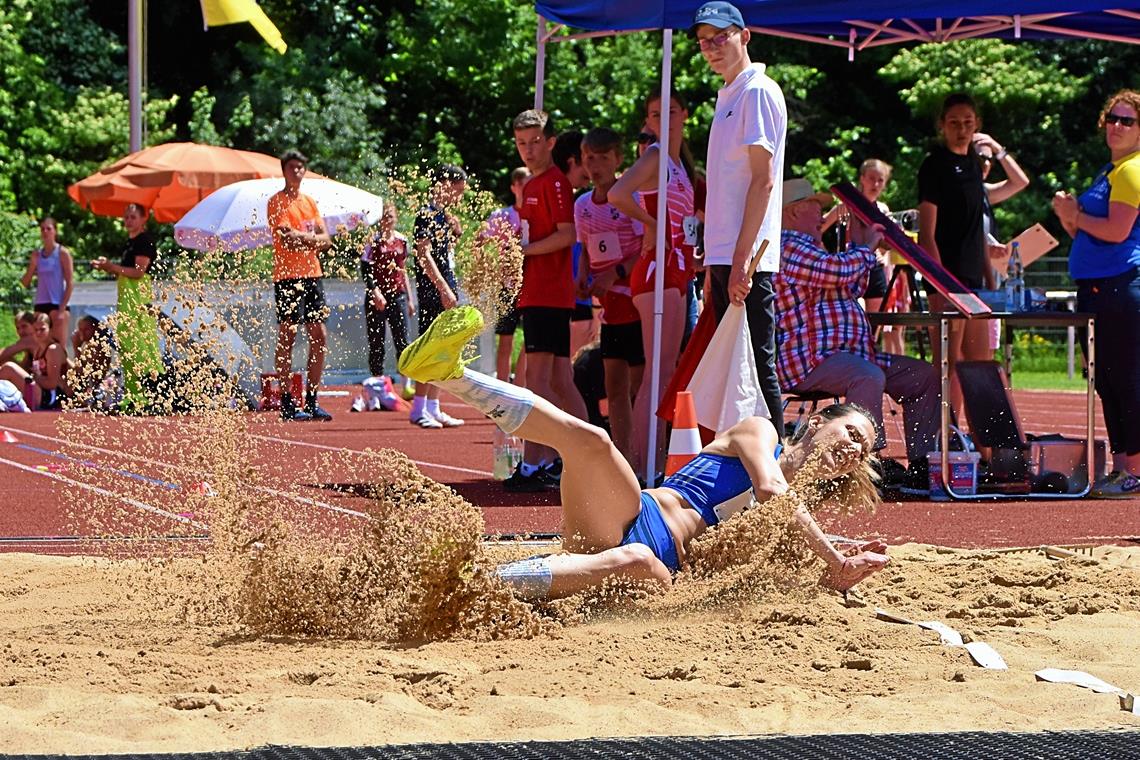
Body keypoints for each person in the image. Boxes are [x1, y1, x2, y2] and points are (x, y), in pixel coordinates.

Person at [398, 306, 890, 601]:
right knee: (593, 441)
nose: (853, 447)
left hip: (656, 572)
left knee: (636, 560)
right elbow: (770, 490)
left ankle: (480, 586)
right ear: (818, 420)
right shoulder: (760, 432)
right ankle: (448, 373)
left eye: (863, 446)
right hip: (633, 514)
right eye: (850, 431)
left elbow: (780, 577)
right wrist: (831, 554)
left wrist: (838, 570)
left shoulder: (803, 515)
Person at [775, 179, 940, 491]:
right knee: (867, 377)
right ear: (794, 213)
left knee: (924, 376)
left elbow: (852, 285)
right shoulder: (788, 246)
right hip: (811, 360)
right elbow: (835, 272)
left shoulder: (812, 248)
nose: (821, 214)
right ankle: (869, 466)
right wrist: (866, 249)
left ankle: (922, 461)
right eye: (815, 207)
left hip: (851, 356)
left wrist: (859, 244)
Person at [693, 0, 787, 441]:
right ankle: (747, 474)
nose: (711, 48)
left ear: (744, 36)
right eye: (703, 42)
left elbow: (763, 182)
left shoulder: (757, 91)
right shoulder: (730, 94)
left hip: (746, 257)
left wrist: (739, 260)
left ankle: (779, 472)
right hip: (726, 252)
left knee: (755, 364)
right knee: (734, 368)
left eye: (720, 37)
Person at [1052, 89, 1140, 498]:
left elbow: (1117, 231)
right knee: (1106, 380)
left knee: (1125, 378)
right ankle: (1124, 466)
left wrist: (1076, 216)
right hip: (1098, 288)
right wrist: (1069, 217)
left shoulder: (1130, 171)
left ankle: (1135, 468)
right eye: (1112, 118)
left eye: (1127, 121)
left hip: (1121, 287)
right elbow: (1085, 229)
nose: (1116, 126)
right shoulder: (1110, 170)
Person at [609, 90, 697, 480]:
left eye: (671, 112)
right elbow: (617, 193)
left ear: (685, 115)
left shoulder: (679, 164)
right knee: (657, 374)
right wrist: (652, 225)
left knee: (667, 372)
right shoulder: (657, 156)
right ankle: (643, 467)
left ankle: (653, 463)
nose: (663, 119)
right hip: (657, 268)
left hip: (677, 267)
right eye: (655, 114)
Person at [917, 94, 1015, 425]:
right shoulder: (934, 165)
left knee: (981, 367)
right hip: (946, 281)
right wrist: (941, 281)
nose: (961, 129)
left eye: (968, 123)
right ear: (942, 125)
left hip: (976, 282)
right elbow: (927, 232)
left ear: (977, 126)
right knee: (947, 366)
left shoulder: (975, 165)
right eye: (955, 123)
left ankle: (984, 449)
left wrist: (989, 281)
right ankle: (944, 440)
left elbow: (976, 233)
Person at [507, 109, 588, 491]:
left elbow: (567, 234)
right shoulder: (534, 184)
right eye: (522, 143)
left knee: (536, 380)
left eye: (535, 142)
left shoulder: (554, 183)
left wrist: (524, 250)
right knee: (558, 378)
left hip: (549, 293)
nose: (528, 150)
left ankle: (536, 462)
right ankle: (586, 452)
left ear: (550, 143)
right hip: (539, 292)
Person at [575, 127, 646, 468]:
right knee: (614, 389)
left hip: (637, 305)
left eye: (603, 157)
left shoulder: (628, 200)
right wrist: (582, 276)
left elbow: (646, 250)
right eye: (590, 158)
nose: (595, 165)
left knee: (639, 388)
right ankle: (624, 460)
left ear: (619, 159)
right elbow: (587, 247)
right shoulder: (583, 205)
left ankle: (646, 456)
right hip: (610, 311)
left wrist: (614, 275)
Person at [267, 149, 334, 421]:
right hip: (287, 277)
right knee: (288, 336)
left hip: (312, 275)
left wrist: (302, 236)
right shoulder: (277, 202)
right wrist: (310, 238)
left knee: (319, 336)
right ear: (284, 170)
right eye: (293, 167)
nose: (297, 171)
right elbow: (286, 240)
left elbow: (327, 240)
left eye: (301, 167)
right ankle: (286, 400)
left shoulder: (309, 202)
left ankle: (312, 399)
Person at [410, 164, 468, 429]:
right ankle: (419, 407)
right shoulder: (426, 214)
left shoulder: (444, 216)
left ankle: (433, 405)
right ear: (444, 185)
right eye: (457, 191)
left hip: (447, 285)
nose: (459, 198)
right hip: (434, 289)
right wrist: (443, 287)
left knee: (446, 347)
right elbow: (423, 255)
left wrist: (455, 234)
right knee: (431, 345)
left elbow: (445, 254)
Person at [822, 160, 902, 352]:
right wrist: (825, 254)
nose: (875, 185)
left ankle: (871, 356)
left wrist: (888, 244)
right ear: (862, 179)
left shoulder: (882, 210)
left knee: (875, 324)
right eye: (871, 179)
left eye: (880, 180)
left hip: (874, 267)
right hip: (851, 268)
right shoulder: (847, 206)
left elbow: (889, 244)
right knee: (855, 316)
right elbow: (820, 227)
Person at [91, 203, 162, 415]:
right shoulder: (131, 242)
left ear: (143, 219)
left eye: (132, 216)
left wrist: (111, 267)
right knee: (128, 349)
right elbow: (126, 271)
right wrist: (109, 266)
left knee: (139, 349)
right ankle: (133, 397)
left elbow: (139, 272)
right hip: (127, 300)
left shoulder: (144, 241)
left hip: (137, 302)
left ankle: (148, 396)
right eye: (126, 216)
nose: (128, 220)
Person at [553, 130, 601, 357]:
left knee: (562, 367)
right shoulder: (557, 195)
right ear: (573, 161)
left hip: (577, 295)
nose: (592, 171)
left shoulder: (576, 199)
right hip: (565, 297)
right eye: (588, 160)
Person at [481, 166, 530, 387]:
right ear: (513, 187)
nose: (525, 189)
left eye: (528, 183)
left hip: (533, 285)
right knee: (506, 339)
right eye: (520, 184)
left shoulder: (538, 214)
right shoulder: (501, 216)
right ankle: (502, 389)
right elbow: (479, 242)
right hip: (507, 285)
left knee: (531, 341)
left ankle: (520, 388)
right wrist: (490, 268)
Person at [361, 202, 414, 396]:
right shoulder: (372, 241)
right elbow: (365, 270)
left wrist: (409, 298)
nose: (387, 219)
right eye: (384, 216)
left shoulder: (403, 240)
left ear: (396, 218)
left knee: (403, 340)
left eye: (390, 215)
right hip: (377, 297)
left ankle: (406, 384)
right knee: (377, 341)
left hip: (398, 294)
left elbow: (403, 270)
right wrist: (375, 291)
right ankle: (377, 386)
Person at [21, 217, 74, 347]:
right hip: (41, 303)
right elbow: (25, 282)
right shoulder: (37, 255)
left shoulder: (62, 252)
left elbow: (70, 283)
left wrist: (62, 309)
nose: (45, 231)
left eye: (48, 228)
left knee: (58, 347)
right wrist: (32, 264)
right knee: (40, 346)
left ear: (55, 231)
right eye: (42, 229)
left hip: (57, 304)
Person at [0, 313, 71, 409]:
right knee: (8, 366)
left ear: (50, 329)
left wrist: (33, 377)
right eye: (35, 330)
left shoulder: (53, 349)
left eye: (42, 329)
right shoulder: (38, 349)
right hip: (42, 392)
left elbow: (52, 383)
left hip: (53, 397)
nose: (38, 333)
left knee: (9, 368)